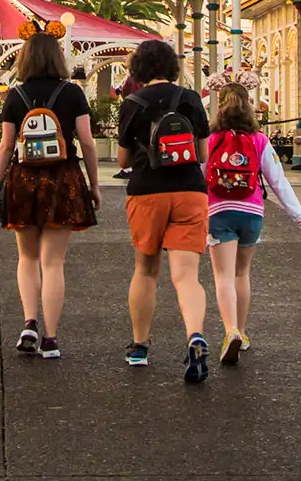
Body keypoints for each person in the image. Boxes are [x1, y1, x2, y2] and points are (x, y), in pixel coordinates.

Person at [0, 33, 100, 359]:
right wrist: (93, 186)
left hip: (24, 180)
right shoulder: (72, 93)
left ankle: (29, 321)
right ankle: (51, 338)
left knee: (27, 258)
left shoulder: (16, 95)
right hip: (63, 180)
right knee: (53, 262)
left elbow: (6, 146)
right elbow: (87, 142)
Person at [117, 38, 213, 382]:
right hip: (189, 191)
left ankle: (140, 347)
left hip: (147, 192)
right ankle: (195, 335)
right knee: (187, 275)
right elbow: (202, 154)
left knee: (145, 270)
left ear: (138, 70)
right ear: (172, 67)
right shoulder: (190, 99)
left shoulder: (132, 103)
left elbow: (124, 159)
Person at [205, 83, 301, 366]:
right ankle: (242, 331)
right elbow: (278, 181)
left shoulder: (211, 139)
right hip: (251, 212)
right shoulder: (259, 140)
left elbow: (198, 176)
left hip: (219, 211)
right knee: (242, 273)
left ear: (220, 105)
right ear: (248, 105)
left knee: (223, 276)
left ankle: (230, 331)